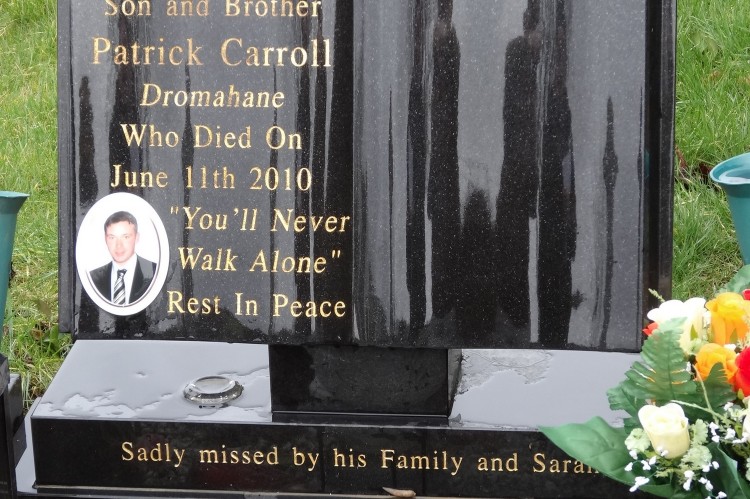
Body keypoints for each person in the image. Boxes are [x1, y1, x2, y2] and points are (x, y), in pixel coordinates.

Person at [89, 211, 156, 306]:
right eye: (112, 237)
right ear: (105, 239)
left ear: (137, 237)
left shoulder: (155, 272)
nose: (119, 245)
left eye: (126, 237)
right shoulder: (93, 278)